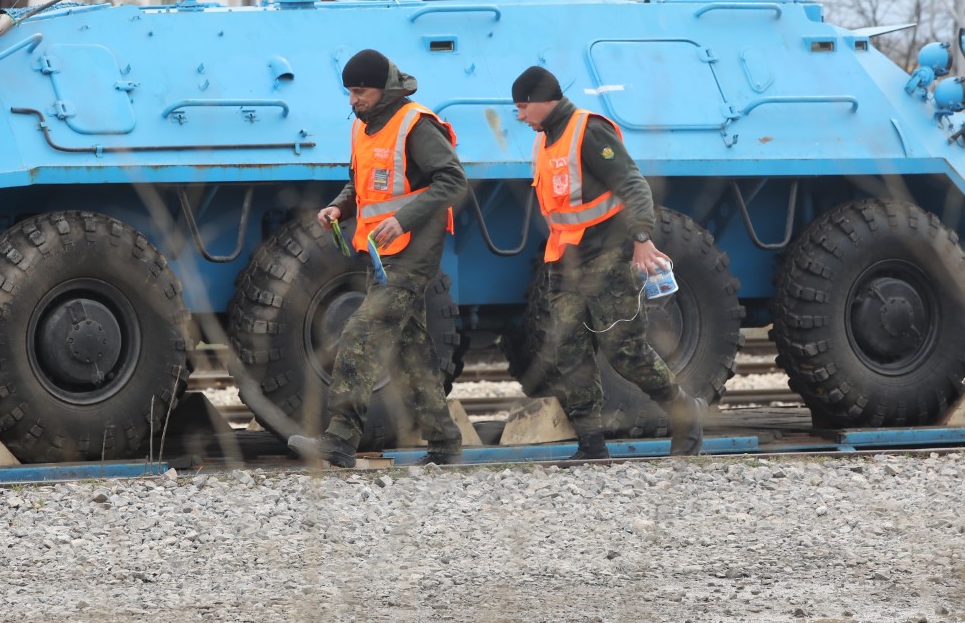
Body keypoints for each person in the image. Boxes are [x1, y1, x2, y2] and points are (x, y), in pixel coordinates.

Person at [511, 65, 705, 459]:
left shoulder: (587, 131)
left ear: (544, 101)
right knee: (568, 350)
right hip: (565, 262)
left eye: (522, 107)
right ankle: (591, 443)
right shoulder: (545, 139)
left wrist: (641, 238)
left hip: (608, 257)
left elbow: (632, 184)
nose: (519, 116)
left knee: (624, 351)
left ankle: (685, 412)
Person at [287, 49, 467, 468]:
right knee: (411, 353)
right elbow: (362, 186)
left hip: (413, 254)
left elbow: (454, 181)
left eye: (360, 91)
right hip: (382, 255)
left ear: (382, 89)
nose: (353, 100)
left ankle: (340, 440)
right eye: (349, 92)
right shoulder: (363, 128)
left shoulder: (415, 123)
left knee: (359, 334)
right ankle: (445, 445)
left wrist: (404, 221)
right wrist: (339, 207)